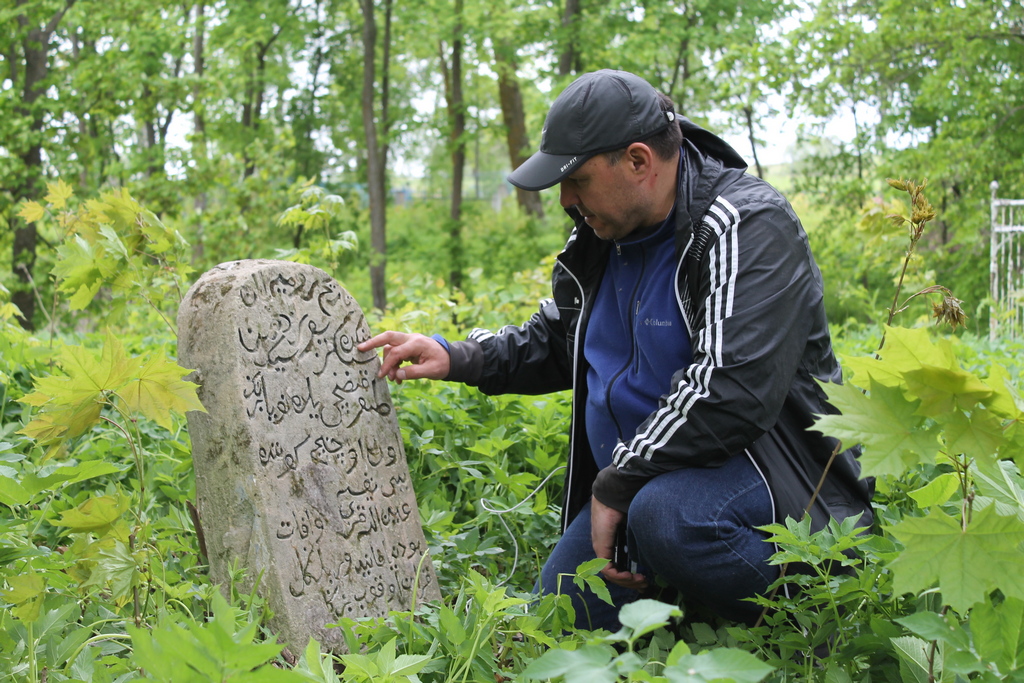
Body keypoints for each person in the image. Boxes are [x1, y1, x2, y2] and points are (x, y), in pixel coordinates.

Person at [357, 69, 874, 631]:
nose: (565, 200)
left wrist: (619, 483)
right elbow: (562, 340)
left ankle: (810, 627)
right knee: (548, 626)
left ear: (637, 161)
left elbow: (732, 389)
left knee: (671, 520)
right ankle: (680, 597)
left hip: (770, 481)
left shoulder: (745, 225)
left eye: (577, 179)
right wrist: (459, 356)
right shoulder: (604, 235)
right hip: (640, 482)